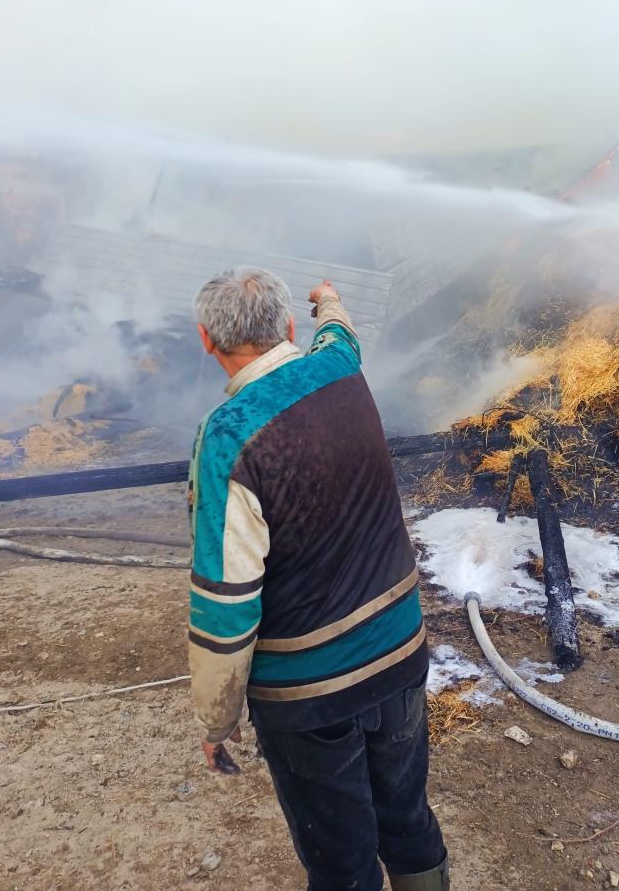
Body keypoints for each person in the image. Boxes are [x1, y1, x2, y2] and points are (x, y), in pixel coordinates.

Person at [187, 267, 448, 891]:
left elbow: (227, 608)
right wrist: (328, 299)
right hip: (399, 657)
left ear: (206, 340)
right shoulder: (339, 367)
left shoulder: (227, 438)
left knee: (341, 861)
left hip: (309, 699)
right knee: (407, 818)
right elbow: (339, 333)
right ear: (286, 327)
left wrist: (215, 724)